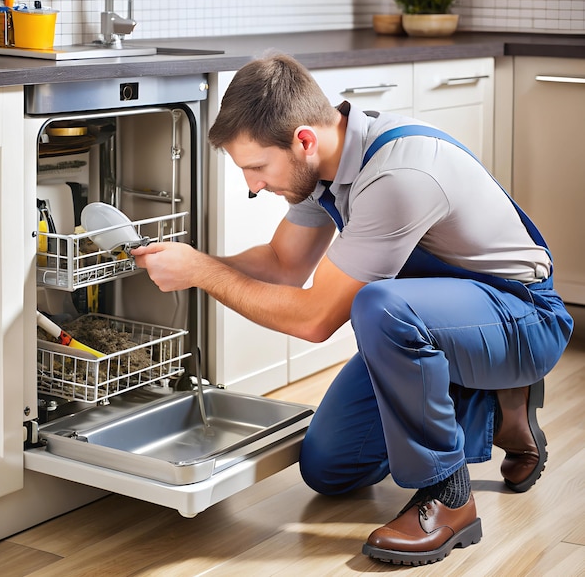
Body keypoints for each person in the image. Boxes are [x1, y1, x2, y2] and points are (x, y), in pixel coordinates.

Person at [131, 53, 573, 566]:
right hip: (440, 324)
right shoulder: (319, 169)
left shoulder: (396, 174)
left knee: (379, 305)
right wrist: (195, 261)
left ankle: (451, 499)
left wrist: (202, 275)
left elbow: (315, 320)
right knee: (328, 468)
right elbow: (282, 264)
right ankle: (497, 409)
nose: (253, 186)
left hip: (522, 318)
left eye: (256, 168)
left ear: (303, 140)